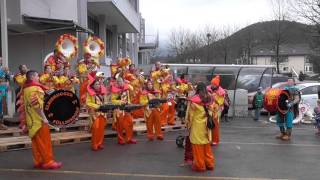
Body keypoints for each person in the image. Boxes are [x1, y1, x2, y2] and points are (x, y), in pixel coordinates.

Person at [21, 70, 62, 169]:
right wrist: (44, 118)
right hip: (38, 120)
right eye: (37, 76)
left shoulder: (26, 89)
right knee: (45, 142)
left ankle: (38, 161)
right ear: (32, 77)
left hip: (31, 121)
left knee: (36, 143)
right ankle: (48, 162)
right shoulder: (35, 88)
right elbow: (36, 105)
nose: (38, 78)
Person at [186, 82, 214, 172]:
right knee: (206, 146)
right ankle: (209, 164)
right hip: (206, 126)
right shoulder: (210, 98)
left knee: (197, 146)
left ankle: (200, 165)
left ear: (197, 89)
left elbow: (190, 116)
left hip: (197, 126)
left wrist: (187, 124)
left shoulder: (194, 101)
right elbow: (213, 111)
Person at [86, 72, 109, 151]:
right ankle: (94, 144)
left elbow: (105, 101)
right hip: (95, 114)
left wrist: (105, 105)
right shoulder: (90, 93)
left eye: (99, 84)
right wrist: (98, 106)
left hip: (103, 113)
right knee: (96, 129)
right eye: (96, 84)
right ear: (93, 86)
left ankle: (99, 143)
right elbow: (88, 103)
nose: (98, 86)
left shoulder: (103, 93)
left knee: (101, 129)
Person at [111, 77, 137, 145]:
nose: (120, 83)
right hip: (119, 110)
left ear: (123, 82)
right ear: (117, 83)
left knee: (130, 123)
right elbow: (113, 100)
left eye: (121, 81)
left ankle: (129, 138)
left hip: (126, 109)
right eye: (118, 82)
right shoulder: (115, 90)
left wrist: (128, 83)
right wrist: (120, 101)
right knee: (120, 126)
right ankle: (121, 139)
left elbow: (132, 89)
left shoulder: (126, 89)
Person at [208, 75, 225, 146]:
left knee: (215, 126)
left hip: (215, 111)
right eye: (211, 83)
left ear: (216, 84)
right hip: (209, 110)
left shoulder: (221, 92)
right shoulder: (208, 89)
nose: (212, 85)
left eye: (213, 84)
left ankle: (215, 140)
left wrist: (213, 98)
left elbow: (220, 102)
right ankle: (209, 139)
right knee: (208, 125)